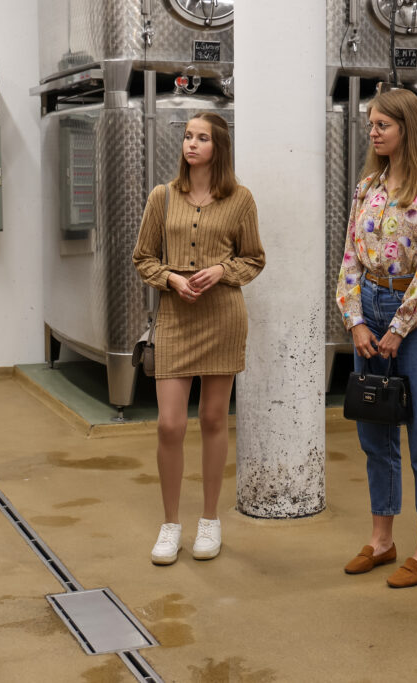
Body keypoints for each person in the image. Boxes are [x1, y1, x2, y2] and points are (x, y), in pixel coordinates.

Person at [336, 88, 417, 588]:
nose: (373, 131)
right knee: (375, 434)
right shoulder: (368, 185)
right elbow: (349, 257)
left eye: (382, 124)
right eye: (371, 123)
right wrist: (357, 322)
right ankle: (382, 540)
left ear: (407, 127)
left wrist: (398, 327)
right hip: (370, 311)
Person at [132, 112, 265, 566]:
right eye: (188, 136)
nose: (191, 144)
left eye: (202, 138)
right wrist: (170, 279)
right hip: (175, 318)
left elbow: (254, 259)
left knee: (212, 418)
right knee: (169, 424)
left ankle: (210, 519)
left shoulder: (240, 200)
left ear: (218, 148)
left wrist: (222, 270)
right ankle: (170, 524)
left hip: (223, 318)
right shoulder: (162, 197)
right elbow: (143, 258)